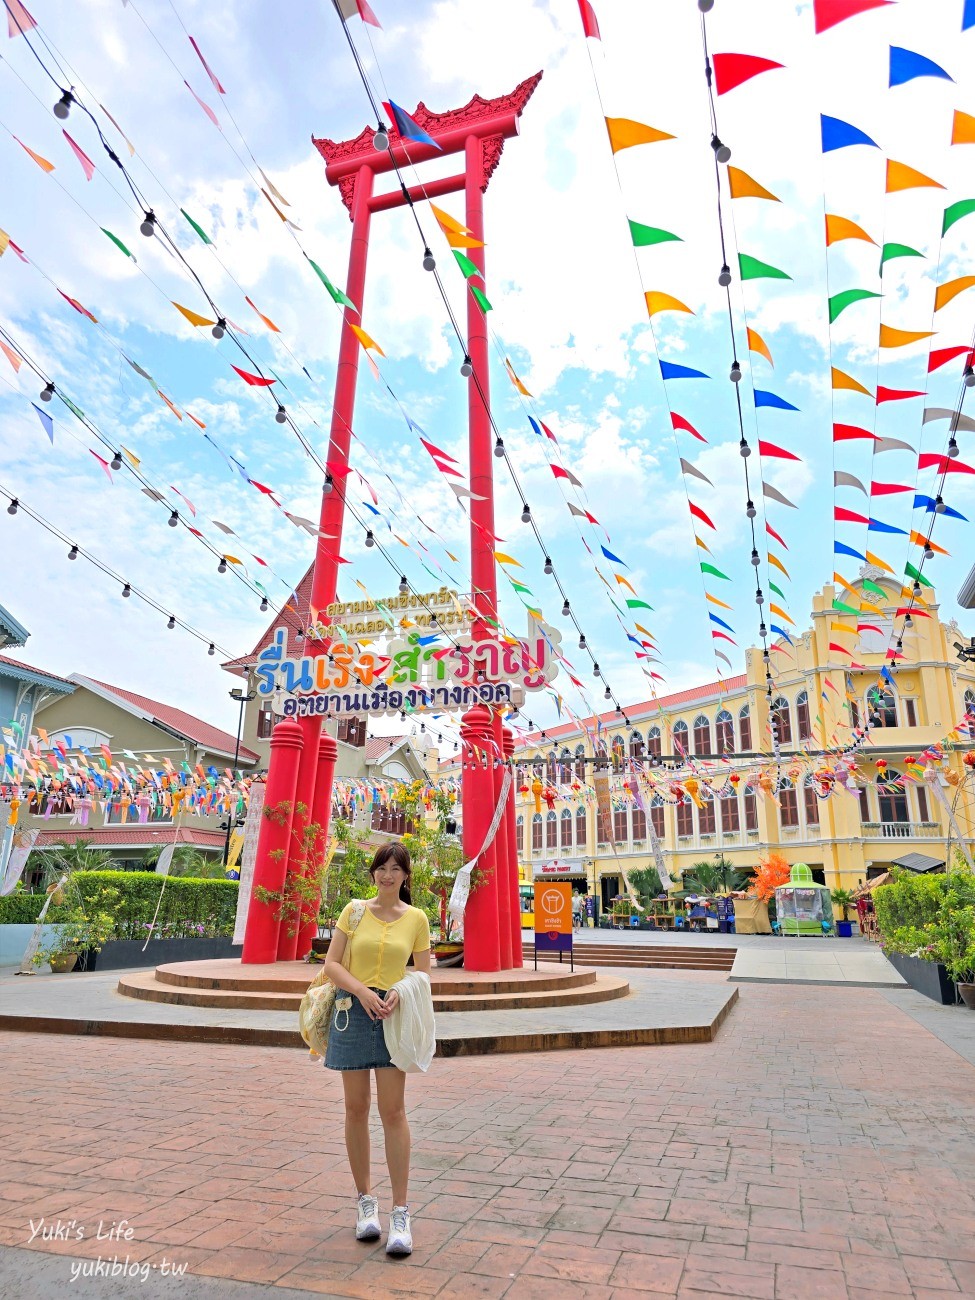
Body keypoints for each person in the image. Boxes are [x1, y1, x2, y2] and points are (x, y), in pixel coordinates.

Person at [322, 842, 431, 1258]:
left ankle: (400, 1213)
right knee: (355, 1108)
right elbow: (332, 964)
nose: (387, 875)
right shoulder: (353, 911)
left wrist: (399, 995)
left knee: (393, 1111)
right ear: (373, 873)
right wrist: (363, 991)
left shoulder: (416, 919)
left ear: (405, 876)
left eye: (395, 869)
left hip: (393, 1016)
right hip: (352, 1011)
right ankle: (366, 1204)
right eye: (381, 868)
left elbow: (423, 973)